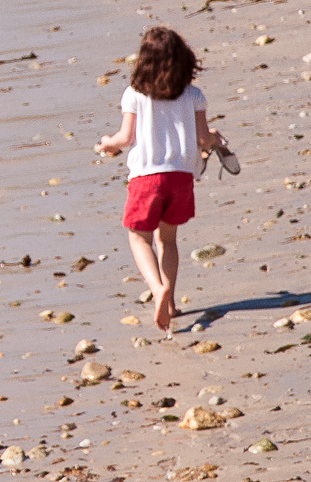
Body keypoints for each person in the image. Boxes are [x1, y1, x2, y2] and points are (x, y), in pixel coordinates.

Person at [96, 27, 232, 332]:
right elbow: (203, 138)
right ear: (183, 60)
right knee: (168, 240)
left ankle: (158, 289)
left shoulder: (134, 95)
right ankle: (170, 303)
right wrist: (216, 139)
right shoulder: (194, 95)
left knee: (138, 237)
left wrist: (107, 142)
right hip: (181, 178)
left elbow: (125, 137)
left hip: (146, 179)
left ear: (143, 62)